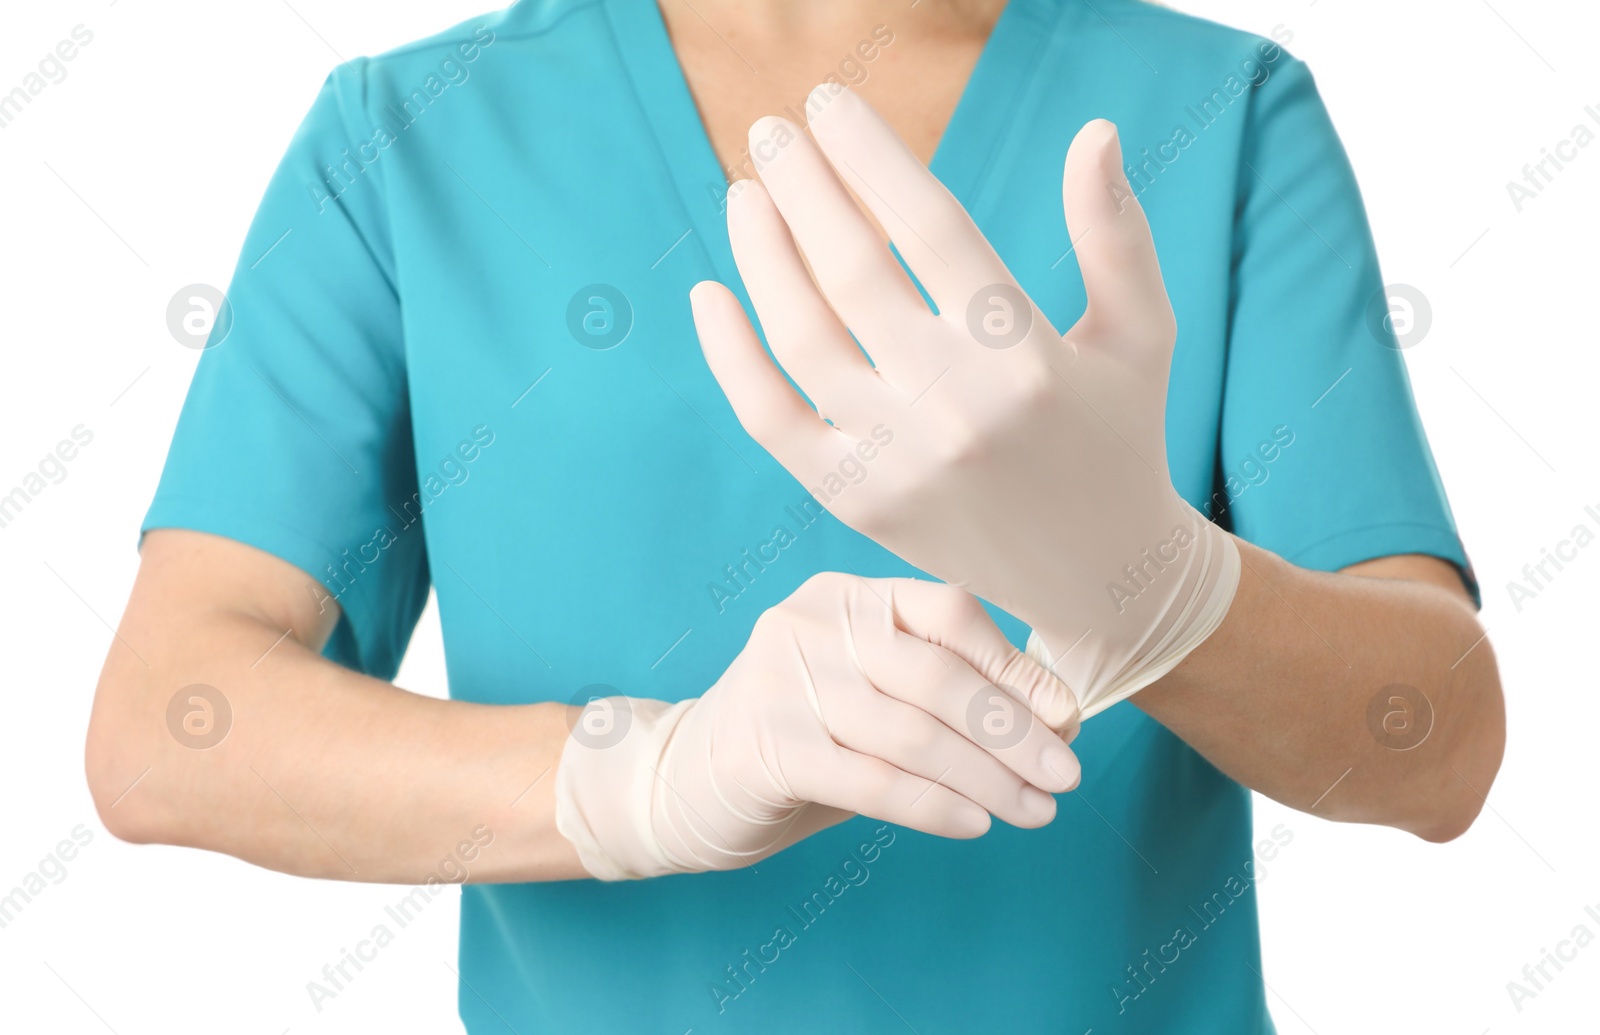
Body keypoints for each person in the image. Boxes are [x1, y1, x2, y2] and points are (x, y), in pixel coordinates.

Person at [86, 0, 1505, 1031]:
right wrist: (640, 781)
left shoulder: (1219, 113)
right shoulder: (409, 142)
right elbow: (171, 727)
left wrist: (1160, 592)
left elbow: (1437, 746)